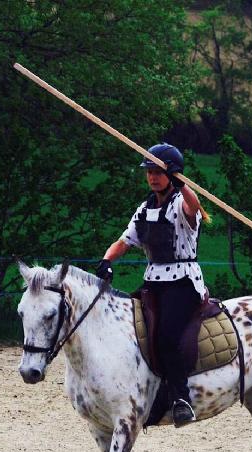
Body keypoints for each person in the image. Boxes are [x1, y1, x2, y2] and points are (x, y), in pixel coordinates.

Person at [94, 143, 209, 427]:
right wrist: (107, 260)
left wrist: (182, 183)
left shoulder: (181, 205)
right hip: (153, 281)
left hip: (183, 282)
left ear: (172, 174)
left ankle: (181, 399)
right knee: (131, 331)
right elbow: (124, 241)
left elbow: (194, 207)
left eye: (159, 172)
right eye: (149, 172)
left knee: (167, 336)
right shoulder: (144, 208)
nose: (153, 177)